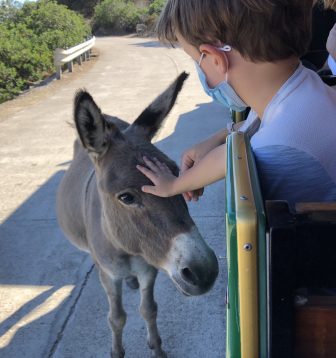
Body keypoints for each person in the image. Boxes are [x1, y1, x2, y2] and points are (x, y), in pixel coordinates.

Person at [136, 0, 336, 210]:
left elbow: (233, 157)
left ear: (215, 58)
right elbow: (258, 125)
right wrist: (218, 137)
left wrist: (174, 184)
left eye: (196, 59)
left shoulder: (276, 148)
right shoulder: (306, 85)